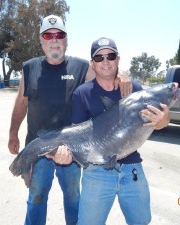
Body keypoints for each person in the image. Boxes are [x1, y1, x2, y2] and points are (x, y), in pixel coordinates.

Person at [8, 15, 132, 225]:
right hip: (38, 150)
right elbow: (21, 102)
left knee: (74, 199)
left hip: (72, 150)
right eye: (48, 35)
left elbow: (106, 71)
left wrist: (122, 73)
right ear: (41, 39)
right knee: (36, 200)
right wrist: (13, 133)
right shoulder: (29, 68)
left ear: (66, 40)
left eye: (59, 35)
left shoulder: (83, 67)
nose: (54, 39)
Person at [72, 37, 170, 225]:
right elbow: (78, 135)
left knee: (141, 221)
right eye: (99, 58)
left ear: (118, 59)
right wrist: (66, 153)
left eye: (110, 56)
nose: (105, 61)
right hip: (96, 171)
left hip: (132, 168)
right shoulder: (82, 94)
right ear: (92, 64)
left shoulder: (136, 90)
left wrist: (164, 120)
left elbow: (159, 123)